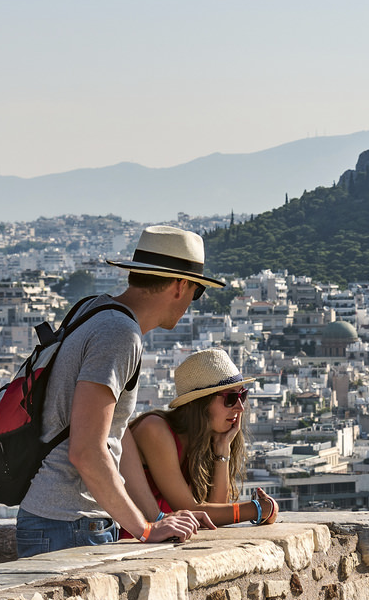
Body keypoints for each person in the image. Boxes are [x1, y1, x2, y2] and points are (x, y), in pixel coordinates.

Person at [15, 226, 222, 557]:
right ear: (180, 285)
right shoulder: (119, 334)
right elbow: (86, 450)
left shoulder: (95, 309)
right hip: (69, 523)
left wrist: (154, 519)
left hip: (65, 520)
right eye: (197, 292)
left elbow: (116, 435)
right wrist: (144, 530)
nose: (191, 304)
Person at [119, 348, 279, 527]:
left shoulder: (201, 441)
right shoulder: (155, 430)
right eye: (231, 398)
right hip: (131, 540)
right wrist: (260, 509)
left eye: (243, 395)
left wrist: (222, 448)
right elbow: (193, 511)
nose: (240, 407)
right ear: (201, 402)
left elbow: (216, 510)